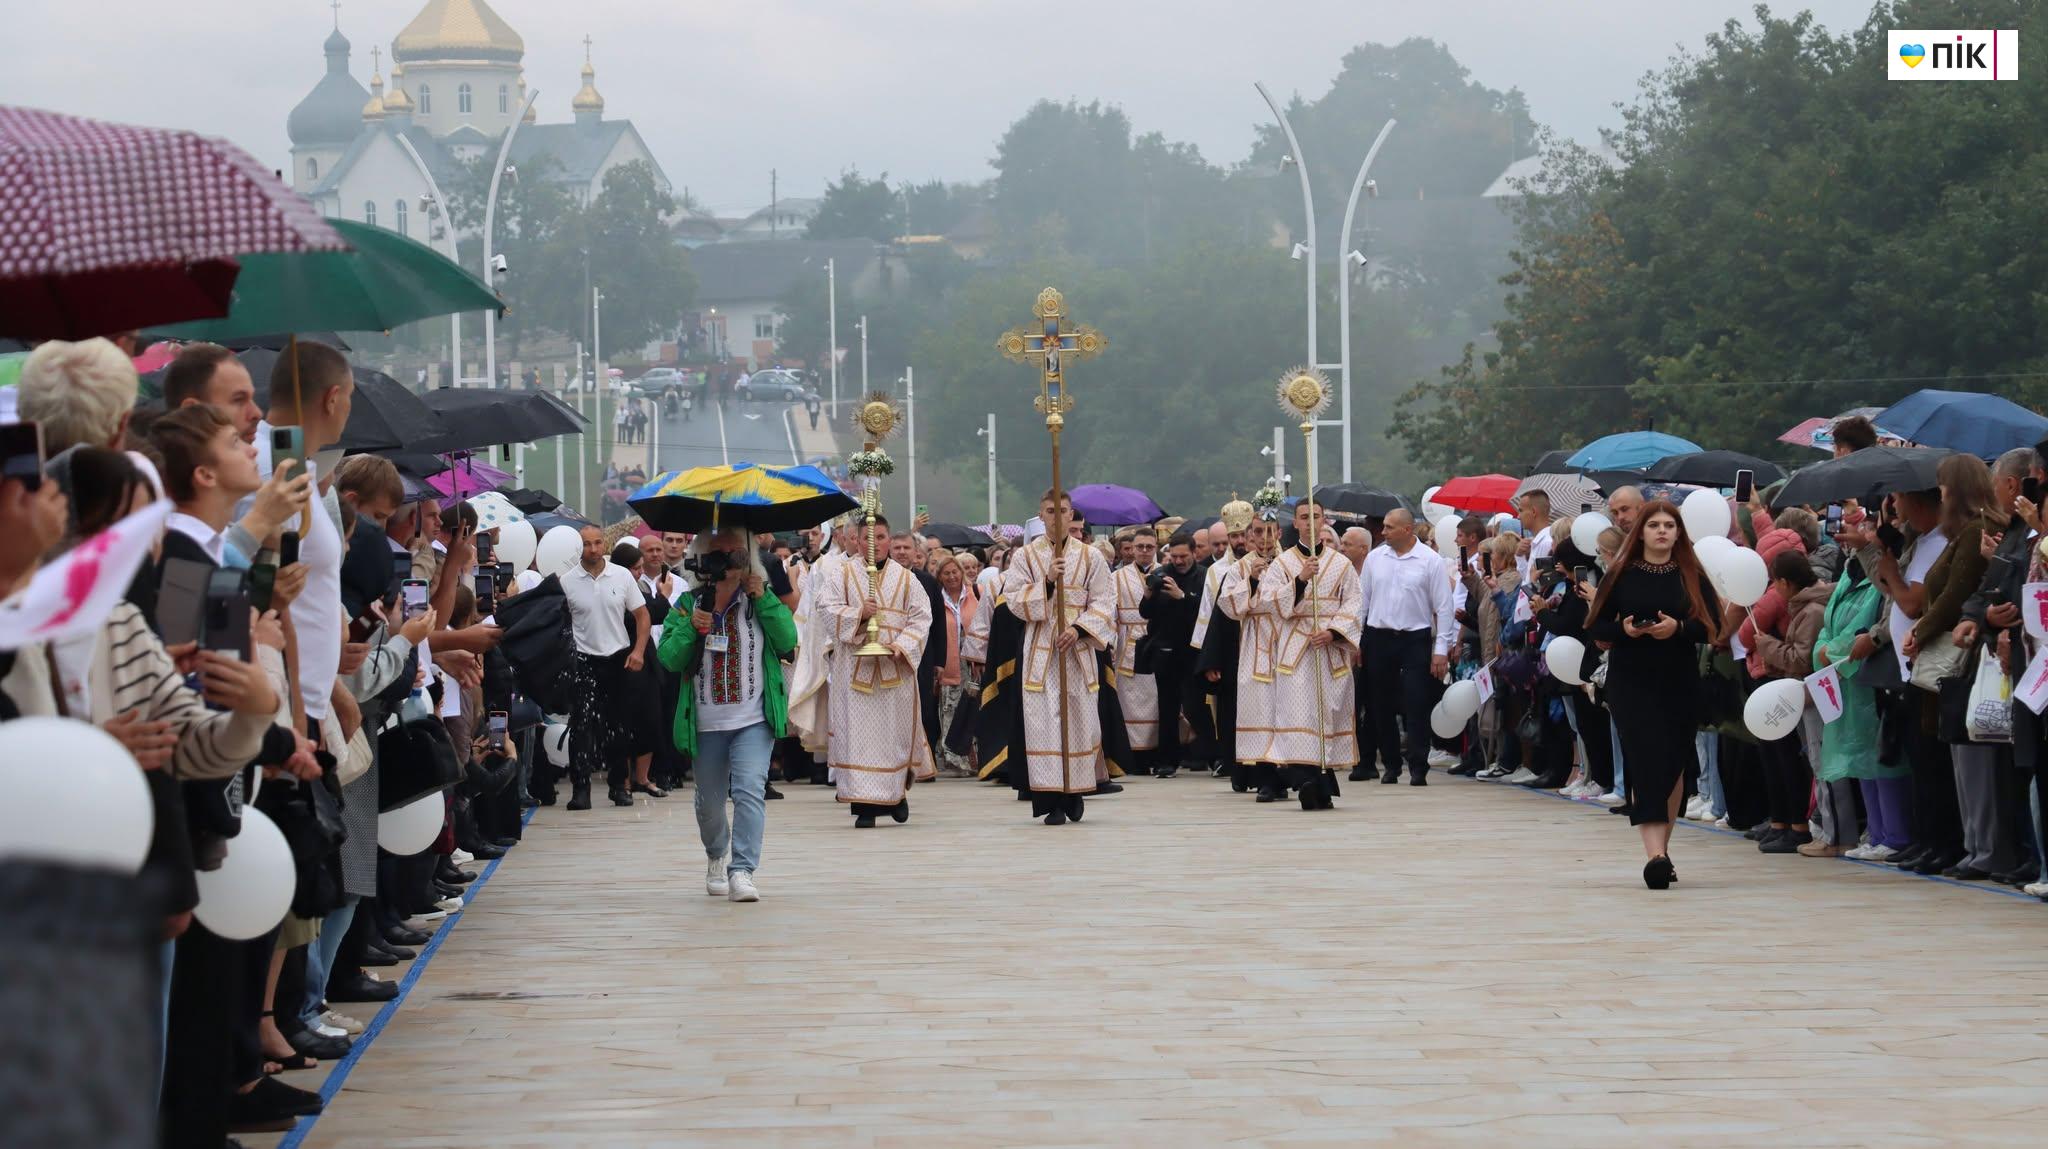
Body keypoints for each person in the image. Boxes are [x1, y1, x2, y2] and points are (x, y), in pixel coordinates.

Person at [1587, 499, 1724, 890]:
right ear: (1641, 532)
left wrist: (1677, 628)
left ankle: (1663, 851)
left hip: (1678, 680)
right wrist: (1625, 630)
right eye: (1654, 525)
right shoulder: (1621, 573)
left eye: (1669, 525)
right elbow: (1596, 626)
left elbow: (1712, 626)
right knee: (1644, 761)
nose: (1662, 531)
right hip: (1631, 680)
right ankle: (1655, 857)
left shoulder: (1691, 574)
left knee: (1673, 765)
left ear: (1678, 532)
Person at [657, 527, 797, 902]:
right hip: (705, 721)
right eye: (719, 553)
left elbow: (788, 641)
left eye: (737, 552)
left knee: (750, 790)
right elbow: (669, 658)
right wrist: (692, 627)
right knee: (710, 803)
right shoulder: (688, 603)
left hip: (753, 718)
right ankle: (717, 854)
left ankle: (743, 870)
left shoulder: (758, 597)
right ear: (703, 559)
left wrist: (763, 597)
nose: (729, 560)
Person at [1228, 499, 1363, 809]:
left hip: (1329, 649)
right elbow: (1271, 602)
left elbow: (1354, 602)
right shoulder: (1282, 563)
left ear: (1324, 519)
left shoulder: (1341, 564)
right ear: (1296, 523)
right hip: (1294, 651)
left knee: (1326, 713)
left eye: (1315, 516)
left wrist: (1333, 632)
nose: (1310, 522)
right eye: (1304, 517)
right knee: (1298, 715)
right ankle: (1306, 780)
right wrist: (1300, 579)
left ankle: (1322, 782)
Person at [999, 488, 1116, 824]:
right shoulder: (1025, 557)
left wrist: (1079, 629)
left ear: (1071, 515)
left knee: (1080, 722)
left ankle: (1074, 791)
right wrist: (1048, 583)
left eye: (1063, 511)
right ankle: (1051, 800)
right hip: (1040, 651)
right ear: (1041, 516)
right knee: (1044, 724)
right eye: (1050, 511)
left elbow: (1105, 601)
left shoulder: (1091, 557)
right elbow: (1014, 601)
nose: (1057, 517)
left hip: (1076, 650)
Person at [811, 513, 937, 824]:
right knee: (859, 740)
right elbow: (825, 608)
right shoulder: (841, 574)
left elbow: (922, 617)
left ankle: (896, 794)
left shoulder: (906, 578)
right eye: (868, 538)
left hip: (895, 670)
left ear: (889, 540)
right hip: (855, 670)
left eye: (880, 538)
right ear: (856, 540)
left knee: (893, 738)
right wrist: (859, 614)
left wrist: (903, 645)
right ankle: (864, 807)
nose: (874, 544)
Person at [1358, 508, 1456, 786]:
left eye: (1389, 527)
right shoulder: (1375, 558)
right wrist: (1358, 639)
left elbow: (1444, 607)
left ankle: (1418, 765)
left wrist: (1441, 649)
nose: (1383, 532)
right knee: (1381, 704)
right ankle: (1391, 764)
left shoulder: (1430, 560)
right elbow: (1362, 602)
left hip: (1415, 637)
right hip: (1379, 636)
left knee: (1416, 701)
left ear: (1407, 530)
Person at [560, 524, 650, 810]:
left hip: (617, 656)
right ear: (579, 547)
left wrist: (638, 651)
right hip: (583, 658)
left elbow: (642, 615)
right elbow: (559, 623)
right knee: (581, 724)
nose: (593, 549)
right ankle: (580, 789)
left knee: (619, 725)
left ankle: (619, 786)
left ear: (605, 544)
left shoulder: (621, 575)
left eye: (598, 542)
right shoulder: (567, 581)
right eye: (587, 544)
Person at [1142, 531, 1203, 778]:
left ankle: (1205, 754)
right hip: (1166, 651)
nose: (1178, 561)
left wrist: (1182, 597)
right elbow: (1145, 613)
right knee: (1167, 709)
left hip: (1194, 651)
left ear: (1194, 553)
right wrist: (1148, 594)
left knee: (1197, 706)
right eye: (1174, 556)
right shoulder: (1161, 574)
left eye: (1183, 556)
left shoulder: (1203, 576)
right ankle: (1167, 760)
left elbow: (1205, 612)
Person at [1110, 527, 1162, 772]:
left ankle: (1156, 754)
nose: (1143, 551)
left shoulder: (1165, 572)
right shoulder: (1117, 577)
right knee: (1129, 699)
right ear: (1131, 549)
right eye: (1139, 547)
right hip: (1128, 642)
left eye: (1149, 547)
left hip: (1158, 639)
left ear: (1156, 547)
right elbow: (1111, 612)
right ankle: (1132, 756)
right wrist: (1110, 643)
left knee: (1156, 698)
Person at [931, 551, 978, 776]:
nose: (952, 577)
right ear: (940, 576)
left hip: (971, 661)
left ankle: (971, 755)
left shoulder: (975, 593)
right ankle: (953, 757)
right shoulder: (936, 598)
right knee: (949, 706)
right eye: (946, 573)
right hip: (948, 660)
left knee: (971, 706)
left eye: (955, 572)